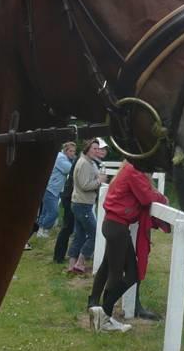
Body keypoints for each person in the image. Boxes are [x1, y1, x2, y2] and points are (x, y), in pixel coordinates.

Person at [88, 162, 169, 334]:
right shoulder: (134, 169)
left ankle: (96, 307)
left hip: (113, 225)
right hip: (117, 227)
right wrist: (163, 199)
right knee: (127, 274)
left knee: (109, 267)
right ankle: (104, 316)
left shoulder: (128, 168)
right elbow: (146, 197)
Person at [67, 138, 108, 274]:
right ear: (87, 149)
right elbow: (85, 185)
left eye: (98, 149)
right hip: (82, 204)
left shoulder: (89, 162)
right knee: (95, 234)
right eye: (94, 148)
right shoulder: (84, 163)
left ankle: (71, 265)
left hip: (80, 203)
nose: (96, 151)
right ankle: (80, 263)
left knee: (79, 235)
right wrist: (99, 181)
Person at [36, 142, 76, 238]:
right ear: (65, 151)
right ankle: (44, 228)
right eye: (70, 151)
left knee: (46, 211)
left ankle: (39, 230)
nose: (73, 153)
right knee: (54, 212)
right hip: (50, 188)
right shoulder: (60, 158)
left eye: (74, 151)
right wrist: (76, 161)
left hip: (53, 188)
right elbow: (70, 169)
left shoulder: (63, 158)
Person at [52, 152, 76, 263]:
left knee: (69, 228)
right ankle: (59, 257)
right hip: (70, 196)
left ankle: (63, 256)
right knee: (67, 227)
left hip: (70, 195)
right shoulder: (80, 161)